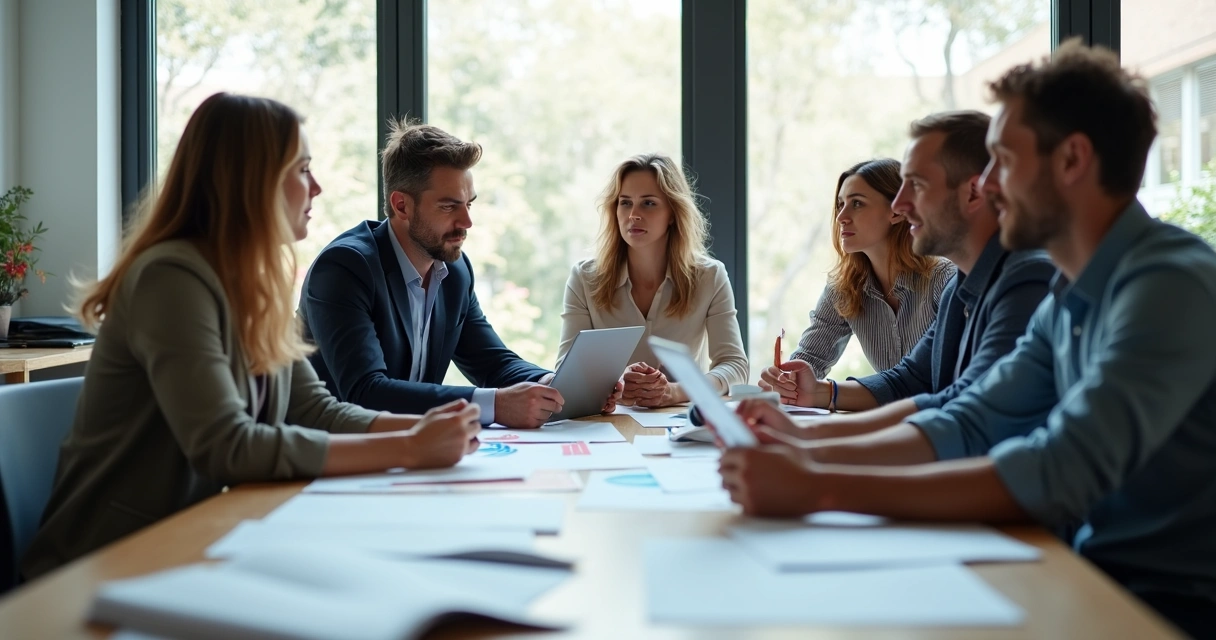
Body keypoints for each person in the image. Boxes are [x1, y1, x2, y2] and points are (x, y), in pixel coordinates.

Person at [719, 42, 1216, 639]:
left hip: (1165, 611)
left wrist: (818, 486)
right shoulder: (1067, 294)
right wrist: (804, 453)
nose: (988, 184)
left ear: (1072, 160)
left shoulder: (1168, 284)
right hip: (1087, 580)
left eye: (1002, 159)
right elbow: (970, 418)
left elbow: (1056, 470)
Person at [22, 94, 481, 580]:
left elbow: (315, 410)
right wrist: (408, 448)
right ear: (251, 180)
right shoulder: (170, 277)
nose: (317, 187)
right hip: (106, 562)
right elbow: (228, 445)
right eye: (303, 169)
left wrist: (424, 430)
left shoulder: (250, 282)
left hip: (193, 542)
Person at [757, 111, 1054, 437]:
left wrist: (811, 440)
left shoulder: (1026, 280)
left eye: (917, 185)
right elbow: (910, 380)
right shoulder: (960, 287)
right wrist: (819, 392)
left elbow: (964, 409)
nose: (900, 204)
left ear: (973, 192)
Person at [299, 120, 580, 429]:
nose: (467, 222)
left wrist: (552, 384)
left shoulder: (454, 270)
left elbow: (491, 362)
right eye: (449, 207)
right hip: (330, 449)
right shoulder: (345, 268)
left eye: (469, 204)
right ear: (402, 205)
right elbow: (365, 393)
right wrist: (494, 405)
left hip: (411, 447)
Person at [558, 154, 748, 407]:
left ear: (673, 213)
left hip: (679, 421)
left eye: (648, 203)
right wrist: (616, 387)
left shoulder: (710, 276)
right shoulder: (584, 278)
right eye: (625, 203)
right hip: (608, 421)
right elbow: (565, 372)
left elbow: (735, 366)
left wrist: (676, 391)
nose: (633, 215)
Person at [787, 158, 956, 379]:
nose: (841, 217)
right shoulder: (844, 287)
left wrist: (830, 392)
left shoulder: (944, 279)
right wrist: (787, 378)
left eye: (857, 203)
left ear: (897, 211)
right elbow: (809, 359)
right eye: (840, 205)